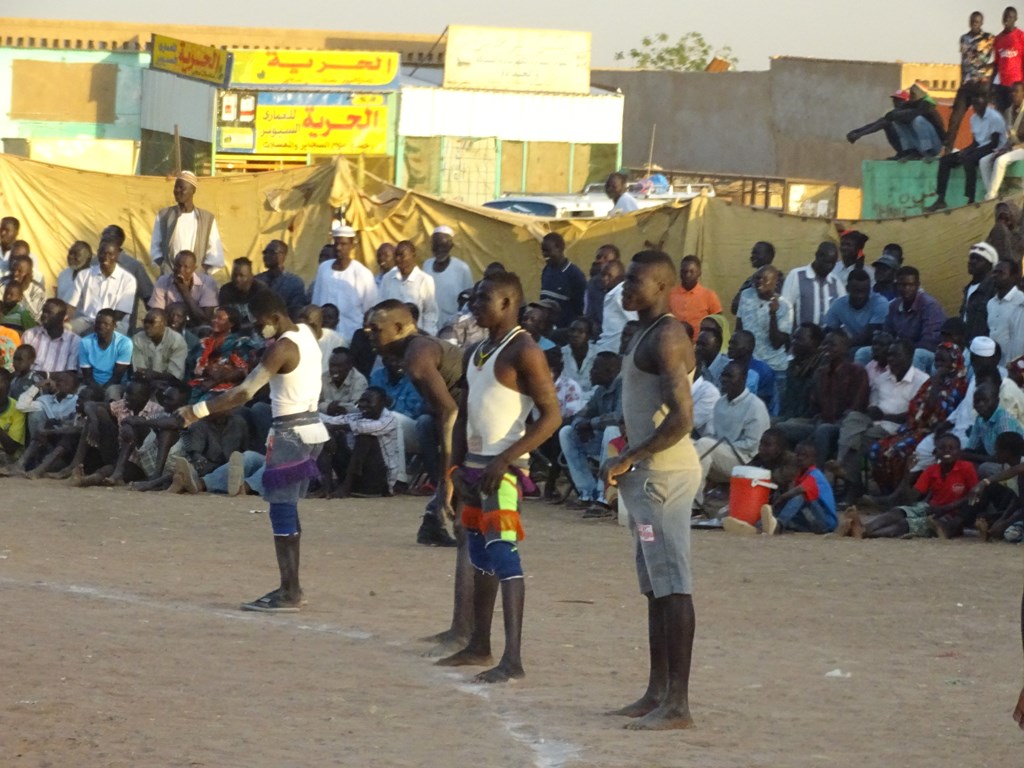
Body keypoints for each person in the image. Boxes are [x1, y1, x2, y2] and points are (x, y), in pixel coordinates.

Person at [435, 271, 560, 685]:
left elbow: (552, 416)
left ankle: (513, 658)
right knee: (481, 556)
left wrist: (506, 459)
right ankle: (479, 643)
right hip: (474, 467)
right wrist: (454, 469)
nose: (473, 305)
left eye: (483, 299)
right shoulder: (477, 350)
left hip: (501, 471)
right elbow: (463, 415)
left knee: (504, 555)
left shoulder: (524, 350)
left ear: (507, 304)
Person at [595, 250, 702, 730]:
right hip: (647, 479)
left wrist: (632, 454)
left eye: (635, 280)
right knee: (657, 586)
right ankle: (658, 691)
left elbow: (683, 418)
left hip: (664, 479)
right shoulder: (645, 332)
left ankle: (677, 704)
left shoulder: (668, 336)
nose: (624, 286)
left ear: (661, 286)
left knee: (673, 587)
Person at [177, 290, 327, 612]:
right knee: (287, 510)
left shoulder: (283, 347)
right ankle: (291, 587)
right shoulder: (307, 334)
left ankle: (290, 591)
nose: (259, 330)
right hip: (311, 427)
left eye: (261, 324)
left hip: (291, 432)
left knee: (282, 512)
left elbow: (244, 392)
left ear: (274, 317)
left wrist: (198, 411)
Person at [365, 300, 464, 550]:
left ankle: (445, 522)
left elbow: (449, 410)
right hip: (465, 416)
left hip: (472, 417)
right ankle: (434, 522)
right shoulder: (417, 348)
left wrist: (448, 472)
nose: (370, 335)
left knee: (463, 476)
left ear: (399, 327)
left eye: (376, 329)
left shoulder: (416, 356)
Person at [836, 339, 929, 501]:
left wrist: (884, 416)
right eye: (890, 355)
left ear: (909, 356)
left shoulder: (922, 381)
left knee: (863, 438)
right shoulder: (882, 379)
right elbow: (873, 405)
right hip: (874, 420)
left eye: (896, 355)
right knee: (852, 420)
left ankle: (851, 485)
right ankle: (840, 464)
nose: (891, 359)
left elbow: (915, 417)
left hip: (897, 426)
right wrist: (872, 411)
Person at [870, 342, 968, 493]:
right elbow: (915, 408)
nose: (939, 365)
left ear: (954, 362)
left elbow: (935, 411)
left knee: (899, 451)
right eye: (937, 361)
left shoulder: (959, 385)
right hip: (914, 427)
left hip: (935, 432)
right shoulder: (933, 381)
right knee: (877, 448)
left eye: (943, 361)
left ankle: (901, 492)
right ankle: (887, 490)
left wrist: (935, 381)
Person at [854, 433, 978, 539]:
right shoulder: (931, 470)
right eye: (942, 448)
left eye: (952, 448)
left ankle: (866, 534)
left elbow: (974, 495)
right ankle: (863, 528)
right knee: (897, 512)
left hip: (952, 515)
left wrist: (947, 507)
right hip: (932, 508)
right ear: (936, 453)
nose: (947, 451)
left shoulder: (966, 468)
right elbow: (911, 498)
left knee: (905, 524)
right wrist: (907, 474)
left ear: (959, 452)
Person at [694, 360, 771, 506]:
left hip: (744, 460)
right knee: (688, 444)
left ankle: (694, 503)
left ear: (742, 379)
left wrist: (720, 446)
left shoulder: (755, 406)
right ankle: (680, 499)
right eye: (723, 375)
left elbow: (753, 446)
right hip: (721, 454)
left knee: (703, 444)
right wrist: (717, 445)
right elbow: (715, 436)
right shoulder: (720, 403)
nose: (724, 380)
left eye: (730, 376)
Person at [558, 351, 623, 511]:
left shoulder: (624, 386)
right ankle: (587, 492)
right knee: (567, 432)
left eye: (595, 368)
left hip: (628, 445)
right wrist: (581, 425)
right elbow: (583, 413)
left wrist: (591, 424)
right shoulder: (600, 390)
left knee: (612, 430)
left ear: (610, 372)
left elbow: (619, 418)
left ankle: (604, 495)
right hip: (605, 443)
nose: (591, 372)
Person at [925, 94, 1007, 210]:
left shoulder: (995, 118)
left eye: (978, 104)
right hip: (979, 148)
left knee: (969, 159)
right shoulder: (973, 118)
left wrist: (970, 153)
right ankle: (940, 199)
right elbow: (975, 142)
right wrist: (965, 151)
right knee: (945, 160)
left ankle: (970, 198)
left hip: (993, 149)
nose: (976, 107)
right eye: (974, 104)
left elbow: (994, 143)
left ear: (985, 103)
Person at [319, 387, 400, 498]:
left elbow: (365, 428)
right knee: (331, 435)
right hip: (358, 479)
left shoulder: (390, 419)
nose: (363, 405)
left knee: (365, 437)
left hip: (378, 482)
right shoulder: (358, 416)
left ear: (382, 403)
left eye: (369, 402)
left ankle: (346, 487)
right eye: (362, 401)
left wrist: (333, 427)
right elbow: (328, 421)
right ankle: (326, 487)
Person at [735, 265, 792, 409]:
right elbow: (739, 327)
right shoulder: (746, 295)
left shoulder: (785, 306)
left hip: (774, 367)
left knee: (771, 411)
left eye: (764, 279)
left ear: (775, 282)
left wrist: (772, 314)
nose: (759, 282)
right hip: (749, 365)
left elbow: (777, 343)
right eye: (757, 278)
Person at [311, 223, 378, 339]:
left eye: (343, 244)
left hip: (351, 334)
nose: (338, 248)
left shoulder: (362, 273)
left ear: (352, 245)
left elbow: (371, 309)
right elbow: (316, 302)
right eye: (336, 243)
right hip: (324, 335)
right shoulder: (324, 269)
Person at [149, 171, 224, 272]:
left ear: (193, 190)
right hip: (170, 277)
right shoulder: (164, 215)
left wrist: (198, 272)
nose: (177, 190)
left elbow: (215, 253)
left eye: (182, 188)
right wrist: (165, 266)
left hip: (197, 281)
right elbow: (155, 247)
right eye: (175, 187)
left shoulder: (207, 219)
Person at [758, 441, 837, 535]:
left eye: (805, 456)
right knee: (785, 500)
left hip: (825, 522)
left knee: (800, 496)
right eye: (797, 455)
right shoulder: (800, 474)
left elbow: (798, 491)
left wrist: (781, 497)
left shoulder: (815, 475)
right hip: (812, 519)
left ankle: (779, 524)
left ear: (814, 459)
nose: (800, 458)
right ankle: (768, 522)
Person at [846, 87, 946, 160]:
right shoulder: (898, 111)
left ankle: (927, 152)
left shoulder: (923, 107)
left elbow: (939, 125)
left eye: (899, 100)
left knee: (917, 120)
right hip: (918, 146)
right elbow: (879, 123)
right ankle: (907, 152)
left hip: (934, 145)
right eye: (894, 100)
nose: (896, 103)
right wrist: (858, 133)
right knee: (894, 122)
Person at [945, 11, 995, 153]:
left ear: (981, 23)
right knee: (955, 117)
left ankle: (980, 147)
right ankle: (948, 149)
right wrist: (960, 81)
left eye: (977, 22)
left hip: (981, 84)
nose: (975, 24)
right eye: (973, 21)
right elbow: (963, 61)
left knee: (980, 117)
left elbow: (998, 57)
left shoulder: (988, 38)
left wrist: (991, 75)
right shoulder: (964, 39)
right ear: (970, 22)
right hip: (966, 84)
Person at [67, 239, 137, 335]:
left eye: (110, 254)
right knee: (64, 330)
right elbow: (71, 305)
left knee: (96, 335)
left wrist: (94, 328)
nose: (106, 257)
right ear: (98, 253)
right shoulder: (84, 275)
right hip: (87, 321)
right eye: (103, 253)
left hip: (114, 324)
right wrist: (63, 320)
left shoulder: (128, 280)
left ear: (118, 255)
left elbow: (120, 314)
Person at [187, 307, 256, 403]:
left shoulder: (240, 343)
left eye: (220, 319)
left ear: (231, 324)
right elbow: (190, 365)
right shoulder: (203, 343)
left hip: (227, 385)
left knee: (205, 402)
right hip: (200, 383)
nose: (215, 320)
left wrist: (217, 378)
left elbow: (244, 370)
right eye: (214, 317)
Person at [884, 266, 946, 370]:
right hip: (899, 351)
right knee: (865, 352)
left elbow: (929, 342)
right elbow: (887, 333)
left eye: (911, 285)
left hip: (928, 355)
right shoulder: (894, 305)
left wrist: (902, 352)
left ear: (917, 285)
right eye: (902, 285)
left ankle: (916, 386)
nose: (906, 289)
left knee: (918, 354)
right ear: (896, 286)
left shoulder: (929, 305)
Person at [378, 240, 439, 335]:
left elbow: (430, 312)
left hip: (415, 336)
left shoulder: (425, 280)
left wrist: (427, 335)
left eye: (402, 255)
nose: (398, 259)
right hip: (392, 336)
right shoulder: (387, 278)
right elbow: (381, 307)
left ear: (413, 256)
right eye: (396, 255)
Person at [101, 224, 154, 332]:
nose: (104, 239)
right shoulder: (93, 264)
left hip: (122, 329)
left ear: (120, 241)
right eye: (103, 236)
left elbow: (148, 298)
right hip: (93, 326)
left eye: (108, 236)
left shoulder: (133, 266)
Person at [423, 225, 474, 332]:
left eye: (443, 245)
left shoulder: (462, 268)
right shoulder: (427, 265)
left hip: (452, 328)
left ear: (451, 246)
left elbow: (468, 300)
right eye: (436, 245)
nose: (439, 249)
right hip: (428, 326)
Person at [780, 242, 845, 326]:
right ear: (817, 256)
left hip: (829, 336)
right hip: (805, 336)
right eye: (826, 262)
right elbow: (785, 308)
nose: (829, 267)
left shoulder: (836, 282)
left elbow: (843, 312)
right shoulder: (797, 276)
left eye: (833, 263)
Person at [148, 250, 218, 327]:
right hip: (169, 325)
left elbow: (205, 319)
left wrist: (184, 292)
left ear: (194, 268)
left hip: (196, 326)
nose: (181, 270)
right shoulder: (163, 281)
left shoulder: (207, 282)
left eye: (186, 267)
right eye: (178, 266)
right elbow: (157, 312)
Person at [982, 82, 1024, 198]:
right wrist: (1003, 148)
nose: (1013, 94)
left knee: (1001, 161)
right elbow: (1008, 135)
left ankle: (990, 195)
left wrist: (1016, 147)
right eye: (1012, 92)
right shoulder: (1008, 112)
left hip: (1022, 148)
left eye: (1016, 91)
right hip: (1012, 147)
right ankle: (992, 194)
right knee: (984, 161)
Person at [537, 233, 587, 331]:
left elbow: (581, 308)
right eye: (543, 251)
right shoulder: (546, 270)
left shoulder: (574, 274)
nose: (544, 254)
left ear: (560, 248)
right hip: (547, 329)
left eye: (547, 250)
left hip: (565, 331)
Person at [22, 299, 80, 376]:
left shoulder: (74, 341)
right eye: (44, 311)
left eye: (50, 313)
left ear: (63, 317)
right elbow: (21, 365)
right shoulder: (30, 335)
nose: (44, 315)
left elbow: (71, 373)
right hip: (30, 382)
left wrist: (46, 376)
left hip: (58, 385)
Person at [79, 309, 132, 390]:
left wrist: (102, 391)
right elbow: (87, 376)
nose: (101, 326)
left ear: (114, 325)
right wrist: (97, 390)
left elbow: (117, 376)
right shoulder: (85, 342)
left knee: (112, 392)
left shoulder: (124, 343)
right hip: (92, 384)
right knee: (81, 392)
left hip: (116, 385)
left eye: (106, 324)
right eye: (98, 323)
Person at [254, 240, 306, 319]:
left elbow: (295, 312)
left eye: (271, 252)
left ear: (283, 255)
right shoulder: (257, 280)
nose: (266, 255)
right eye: (265, 252)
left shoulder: (294, 283)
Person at [595, 259, 638, 352]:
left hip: (614, 347)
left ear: (620, 277)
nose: (604, 278)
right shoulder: (612, 293)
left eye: (609, 275)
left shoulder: (620, 294)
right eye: (602, 275)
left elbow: (634, 320)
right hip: (606, 344)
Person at [987, 258, 1024, 364]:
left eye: (1001, 273)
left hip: (1014, 367)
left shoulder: (1020, 301)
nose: (995, 276)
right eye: (994, 272)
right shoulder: (991, 304)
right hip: (994, 365)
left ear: (1014, 277)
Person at [961, 241, 998, 339]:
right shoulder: (968, 288)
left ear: (990, 265)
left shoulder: (994, 289)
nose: (972, 262)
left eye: (978, 259)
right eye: (971, 258)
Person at [730, 241, 779, 315]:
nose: (752, 256)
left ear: (769, 256)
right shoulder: (751, 280)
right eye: (752, 253)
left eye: (757, 253)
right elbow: (735, 307)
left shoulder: (779, 280)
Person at [218, 257, 267, 330]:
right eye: (235, 275)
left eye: (241, 275)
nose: (237, 279)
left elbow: (264, 319)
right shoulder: (226, 290)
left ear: (251, 276)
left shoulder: (261, 290)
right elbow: (224, 317)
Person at [297, 304, 347, 375]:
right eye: (324, 317)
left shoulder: (340, 340)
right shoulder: (300, 337)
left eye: (329, 317)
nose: (326, 320)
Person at [583, 244, 620, 336]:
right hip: (596, 331)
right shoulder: (593, 283)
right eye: (598, 257)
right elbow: (589, 313)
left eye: (605, 258)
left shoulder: (624, 286)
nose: (600, 261)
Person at [320, 347, 368, 416]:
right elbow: (315, 402)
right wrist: (328, 407)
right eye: (332, 365)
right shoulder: (324, 377)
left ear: (350, 365)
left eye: (339, 366)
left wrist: (328, 405)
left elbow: (358, 407)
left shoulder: (359, 380)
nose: (334, 370)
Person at [995, 6, 1024, 112]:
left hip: (1017, 85)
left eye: (1011, 17)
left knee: (1017, 117)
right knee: (1001, 117)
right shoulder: (998, 39)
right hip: (1002, 85)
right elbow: (997, 63)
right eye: (1005, 17)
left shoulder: (1021, 36)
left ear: (1015, 19)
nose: (1007, 19)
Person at [562, 317, 598, 401]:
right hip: (566, 402)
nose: (575, 334)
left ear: (589, 336)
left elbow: (599, 388)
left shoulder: (598, 355)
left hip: (592, 403)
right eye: (572, 330)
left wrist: (581, 398)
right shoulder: (560, 355)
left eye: (580, 332)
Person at [0, 254, 45, 321]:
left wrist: (22, 291)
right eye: (14, 270)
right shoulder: (4, 284)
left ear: (29, 273)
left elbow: (37, 318)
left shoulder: (37, 291)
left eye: (20, 271)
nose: (15, 274)